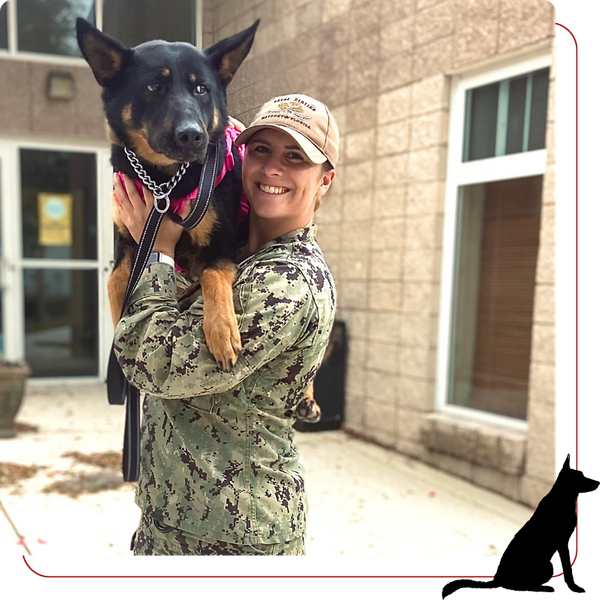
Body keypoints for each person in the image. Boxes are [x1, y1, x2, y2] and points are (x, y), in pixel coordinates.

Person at [112, 94, 338, 558]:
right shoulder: (236, 254)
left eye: (295, 158)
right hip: (178, 523)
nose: (273, 169)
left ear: (324, 181)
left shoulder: (288, 279)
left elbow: (155, 365)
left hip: (232, 539)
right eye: (261, 151)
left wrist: (156, 248)